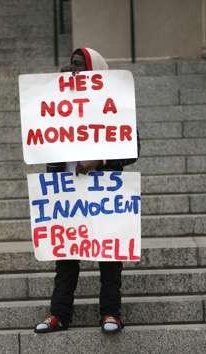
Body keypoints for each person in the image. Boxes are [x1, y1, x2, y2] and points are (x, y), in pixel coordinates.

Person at [34, 47, 140, 334]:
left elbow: (133, 148)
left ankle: (110, 313)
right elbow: (41, 137)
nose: (74, 68)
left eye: (80, 64)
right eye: (71, 64)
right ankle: (59, 315)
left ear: (95, 69)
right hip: (67, 189)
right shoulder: (61, 102)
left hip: (104, 188)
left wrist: (101, 160)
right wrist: (58, 92)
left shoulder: (114, 104)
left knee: (109, 257)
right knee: (66, 256)